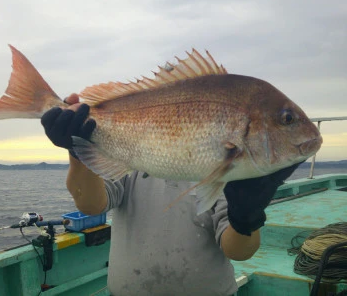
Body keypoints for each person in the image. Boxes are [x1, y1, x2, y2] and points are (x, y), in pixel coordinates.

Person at [41, 95, 302, 296]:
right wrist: (77, 153)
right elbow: (90, 204)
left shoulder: (226, 169)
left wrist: (246, 217)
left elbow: (238, 251)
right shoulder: (127, 154)